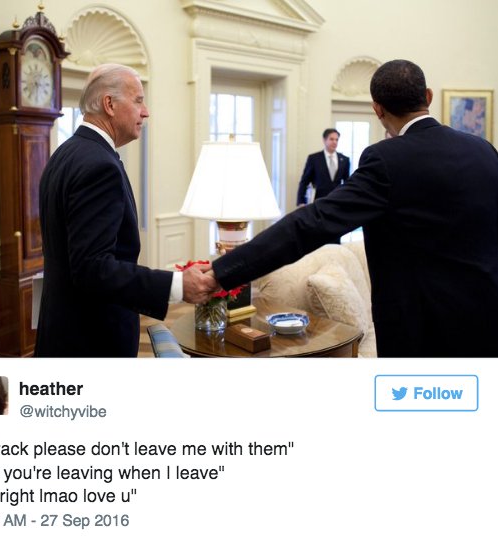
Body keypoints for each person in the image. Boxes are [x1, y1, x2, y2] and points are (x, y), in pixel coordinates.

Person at [210, 59, 498, 357]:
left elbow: (311, 222)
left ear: (378, 109)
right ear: (428, 96)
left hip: (421, 336)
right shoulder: (484, 151)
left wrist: (223, 271)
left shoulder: (385, 160)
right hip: (488, 324)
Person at [35, 64, 215, 357]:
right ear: (109, 104)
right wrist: (177, 285)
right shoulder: (99, 165)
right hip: (91, 341)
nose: (146, 112)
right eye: (138, 100)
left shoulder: (65, 153)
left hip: (62, 329)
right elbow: (93, 269)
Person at [296, 128, 350, 207]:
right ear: (324, 140)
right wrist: (301, 201)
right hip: (318, 201)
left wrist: (348, 200)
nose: (334, 142)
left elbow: (347, 182)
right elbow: (304, 181)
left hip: (337, 201)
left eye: (336, 140)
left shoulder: (344, 160)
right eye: (331, 139)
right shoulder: (314, 159)